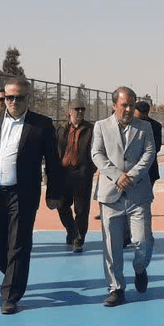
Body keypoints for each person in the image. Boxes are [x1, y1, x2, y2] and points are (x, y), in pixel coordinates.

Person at [0, 77, 64, 315]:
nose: (14, 102)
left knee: (18, 245)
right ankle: (14, 273)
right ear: (3, 98)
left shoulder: (42, 125)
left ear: (28, 99)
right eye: (9, 97)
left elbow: (53, 162)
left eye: (19, 97)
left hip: (22, 194)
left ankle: (10, 296)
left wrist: (54, 194)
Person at [91, 87, 156, 306]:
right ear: (114, 106)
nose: (128, 109)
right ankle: (116, 288)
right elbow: (97, 154)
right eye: (124, 105)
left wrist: (131, 177)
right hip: (111, 194)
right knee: (112, 245)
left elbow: (149, 154)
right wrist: (117, 176)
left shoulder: (144, 127)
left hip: (138, 194)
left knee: (142, 241)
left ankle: (140, 268)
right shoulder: (101, 126)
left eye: (131, 105)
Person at [56, 99, 96, 253]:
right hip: (63, 174)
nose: (80, 112)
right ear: (69, 112)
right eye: (77, 109)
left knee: (81, 209)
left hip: (82, 174)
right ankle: (72, 230)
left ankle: (78, 239)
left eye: (82, 109)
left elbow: (96, 150)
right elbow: (54, 151)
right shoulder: (61, 130)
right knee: (61, 205)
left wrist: (90, 169)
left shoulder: (91, 129)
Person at [133, 100, 164, 185]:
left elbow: (156, 147)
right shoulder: (131, 124)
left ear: (145, 114)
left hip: (149, 169)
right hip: (132, 168)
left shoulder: (155, 126)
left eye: (138, 117)